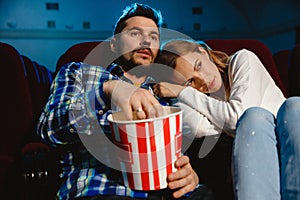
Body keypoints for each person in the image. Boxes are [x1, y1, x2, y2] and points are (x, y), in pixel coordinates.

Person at [37, 3, 214, 200]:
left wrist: (189, 175)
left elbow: (179, 156)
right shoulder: (81, 73)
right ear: (114, 44)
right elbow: (49, 130)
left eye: (154, 37)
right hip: (103, 191)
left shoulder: (164, 95)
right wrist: (108, 90)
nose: (146, 40)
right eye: (135, 34)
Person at [152, 39, 300, 199]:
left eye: (199, 66)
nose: (202, 81)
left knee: (291, 106)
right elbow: (198, 127)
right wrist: (179, 95)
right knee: (253, 119)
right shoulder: (194, 100)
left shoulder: (242, 59)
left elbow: (238, 117)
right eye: (190, 82)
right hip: (257, 166)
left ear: (203, 52)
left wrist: (184, 92)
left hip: (290, 143)